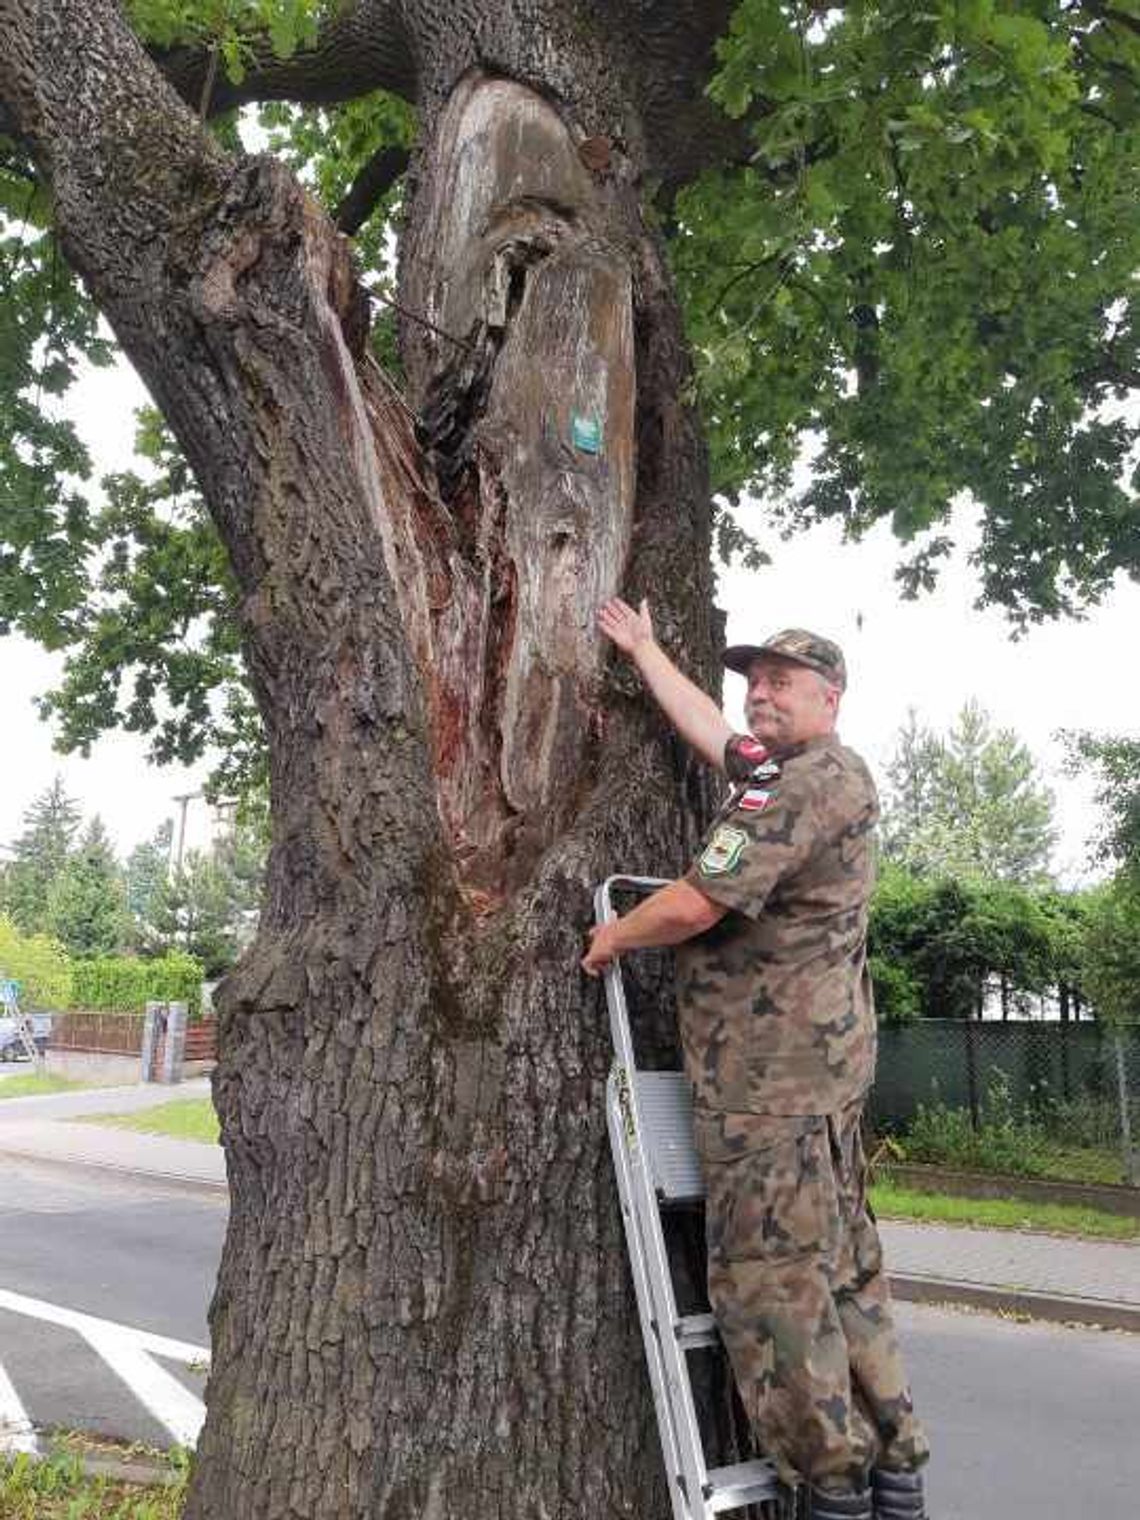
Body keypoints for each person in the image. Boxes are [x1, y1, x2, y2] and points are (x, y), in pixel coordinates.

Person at [582, 598, 930, 1520]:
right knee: (844, 1270)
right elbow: (713, 732)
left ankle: (833, 1485)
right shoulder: (787, 772)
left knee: (772, 1285)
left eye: (782, 683)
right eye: (755, 683)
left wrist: (615, 936)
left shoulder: (808, 782)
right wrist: (648, 650)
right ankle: (894, 1473)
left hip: (768, 1087)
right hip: (811, 1083)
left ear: (832, 698)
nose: (760, 695)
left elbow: (700, 903)